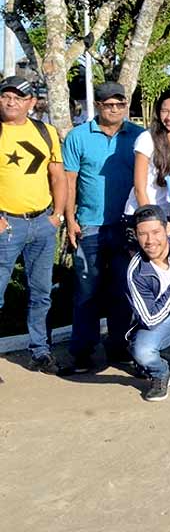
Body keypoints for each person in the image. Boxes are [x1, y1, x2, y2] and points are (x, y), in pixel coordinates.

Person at [61, 82, 144, 372]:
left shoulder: (138, 137)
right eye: (108, 104)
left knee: (124, 289)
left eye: (119, 104)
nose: (114, 109)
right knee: (87, 291)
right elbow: (69, 181)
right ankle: (83, 351)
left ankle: (119, 348)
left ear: (126, 104)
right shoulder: (78, 136)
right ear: (97, 105)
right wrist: (70, 221)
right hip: (90, 226)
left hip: (127, 227)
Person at [0, 76, 67, 374]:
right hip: (7, 226)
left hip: (42, 223)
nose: (10, 101)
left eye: (18, 97)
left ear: (31, 102)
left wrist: (57, 216)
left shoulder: (45, 131)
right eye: (5, 96)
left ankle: (40, 350)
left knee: (41, 292)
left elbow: (57, 175)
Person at [125, 204, 170, 400]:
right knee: (142, 351)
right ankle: (160, 373)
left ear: (168, 229)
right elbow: (150, 319)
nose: (150, 241)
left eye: (156, 232)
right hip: (169, 319)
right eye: (143, 234)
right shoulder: (136, 271)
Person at [123, 91, 170, 218]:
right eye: (165, 111)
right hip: (145, 214)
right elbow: (139, 190)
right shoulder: (146, 139)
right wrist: (152, 219)